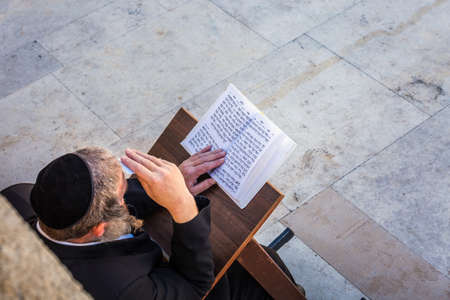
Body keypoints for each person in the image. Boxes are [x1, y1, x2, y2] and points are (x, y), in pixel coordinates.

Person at [13, 146, 298, 300]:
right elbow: (195, 288)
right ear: (99, 229)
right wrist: (182, 205)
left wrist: (171, 185)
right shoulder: (121, 289)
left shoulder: (18, 197)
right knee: (255, 268)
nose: (130, 188)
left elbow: (96, 202)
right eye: (125, 190)